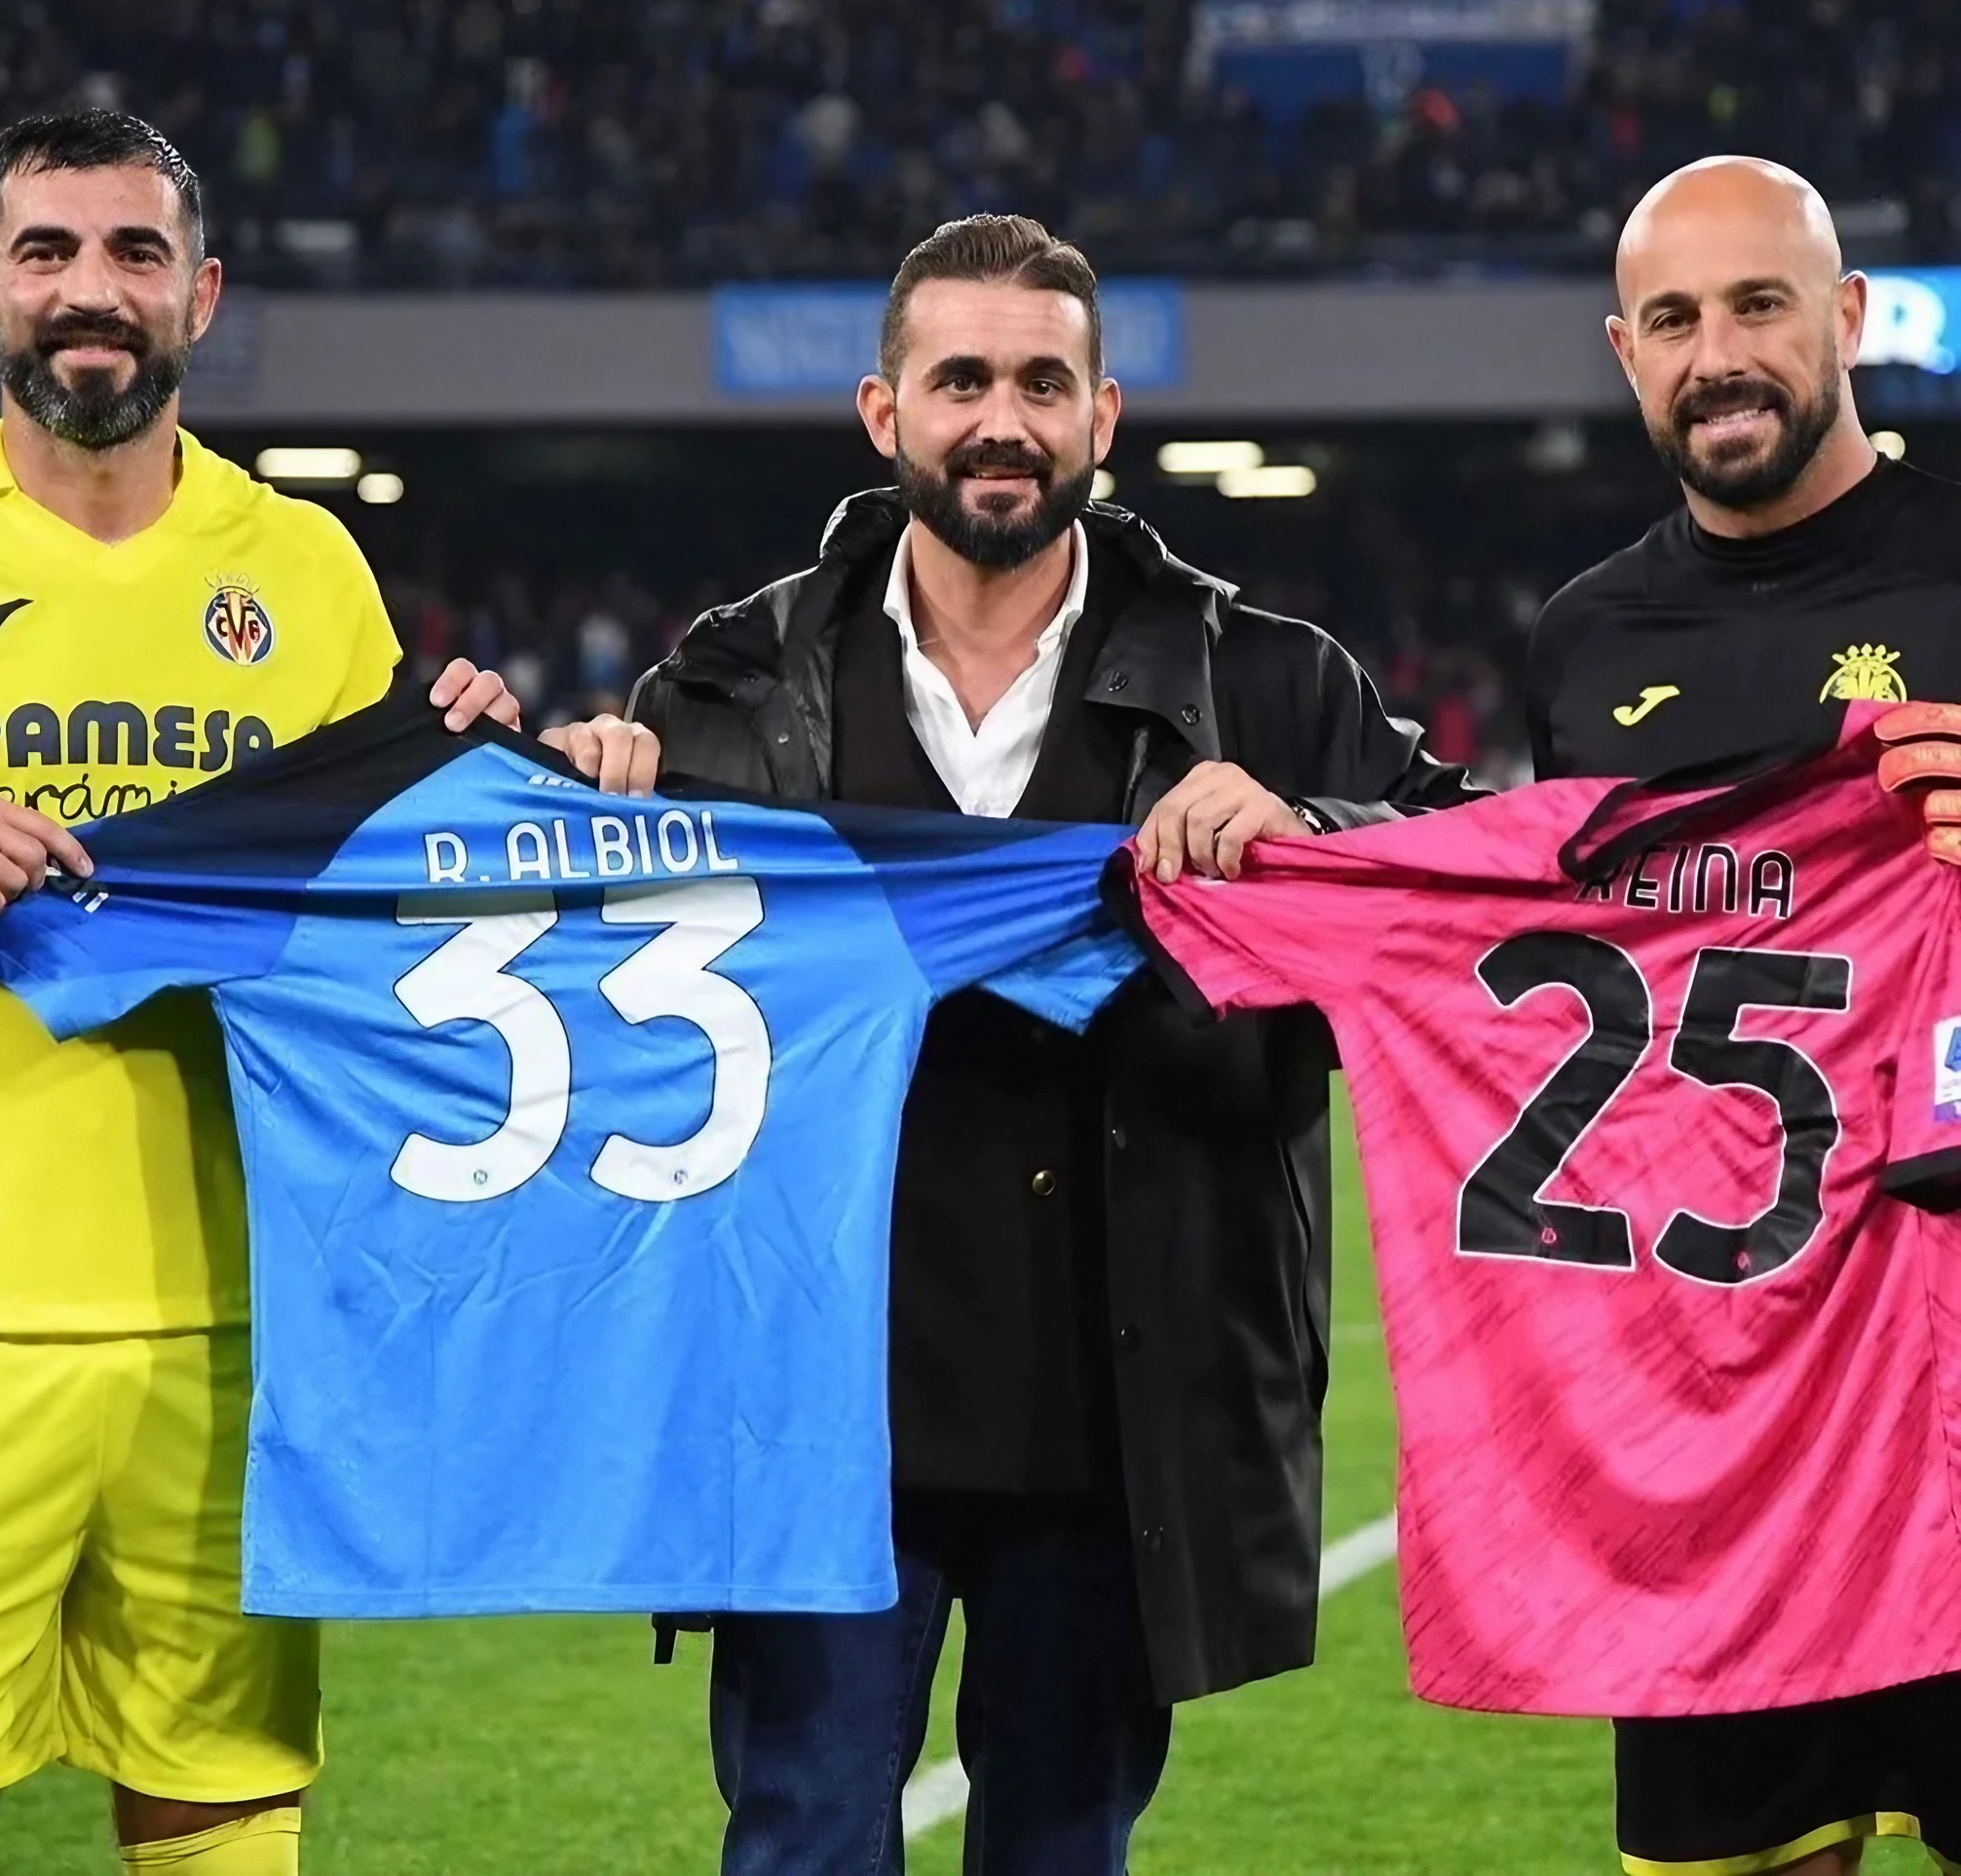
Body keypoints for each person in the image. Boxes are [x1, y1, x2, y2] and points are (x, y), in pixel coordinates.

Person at [541, 212, 1473, 1875]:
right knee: (804, 1845)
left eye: (1044, 381)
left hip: (1115, 1425)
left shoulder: (1267, 684)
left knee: (1058, 1852)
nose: (1003, 419)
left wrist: (1315, 822)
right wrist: (562, 796)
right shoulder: (729, 689)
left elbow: (1466, 883)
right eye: (959, 377)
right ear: (882, 411)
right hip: (818, 1417)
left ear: (1105, 418)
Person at [0, 112, 515, 1876]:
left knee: (221, 1808)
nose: (95, 292)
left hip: (242, 1325)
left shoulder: (302, 571)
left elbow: (397, 911)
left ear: (202, 295)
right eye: (53, 253)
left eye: (136, 254)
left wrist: (508, 781)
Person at [1526, 153, 1961, 1876]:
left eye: (1761, 305)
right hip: (1726, 1398)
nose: (1721, 355)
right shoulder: (1586, 641)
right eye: (1676, 320)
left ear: (1847, 318)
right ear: (1624, 353)